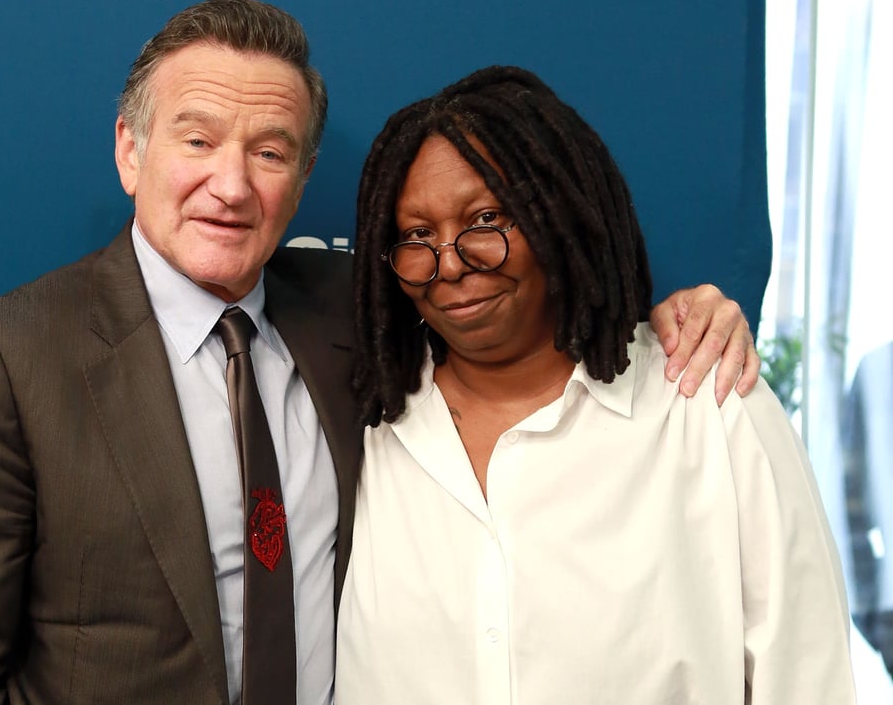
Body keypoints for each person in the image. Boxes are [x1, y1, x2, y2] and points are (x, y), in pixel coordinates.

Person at [0, 0, 756, 704]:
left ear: (300, 185)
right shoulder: (12, 352)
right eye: (196, 139)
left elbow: (519, 290)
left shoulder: (358, 314)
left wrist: (680, 311)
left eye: (269, 151)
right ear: (129, 150)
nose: (231, 184)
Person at [336, 66, 856, 703]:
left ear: (558, 216)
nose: (449, 264)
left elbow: (809, 678)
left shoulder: (707, 404)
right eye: (417, 236)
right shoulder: (361, 425)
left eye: (486, 219)